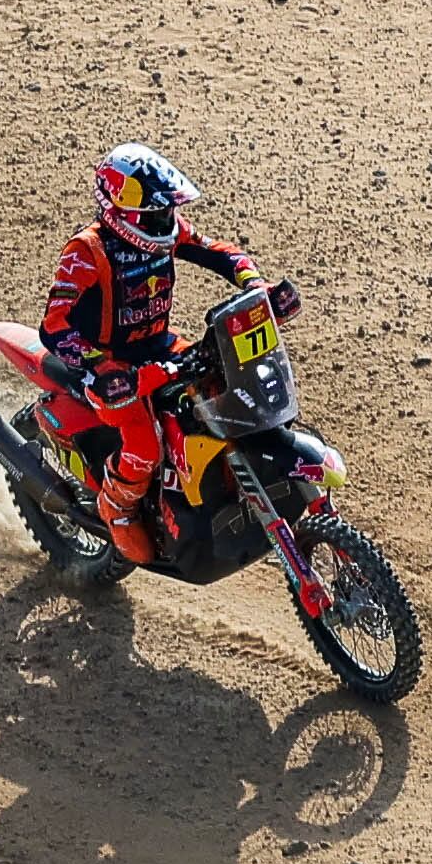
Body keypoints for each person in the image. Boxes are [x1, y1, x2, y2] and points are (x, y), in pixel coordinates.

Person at [35, 147, 262, 564]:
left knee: (224, 390)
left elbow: (215, 250)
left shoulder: (166, 229)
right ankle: (116, 506)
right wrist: (99, 366)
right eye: (155, 215)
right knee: (143, 442)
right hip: (110, 367)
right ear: (121, 211)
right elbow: (53, 326)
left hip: (159, 346)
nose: (166, 222)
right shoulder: (87, 251)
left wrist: (253, 283)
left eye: (167, 213)